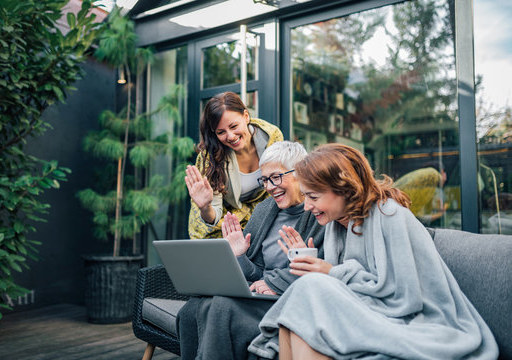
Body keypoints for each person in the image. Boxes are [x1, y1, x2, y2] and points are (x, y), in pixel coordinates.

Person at [248, 143, 498, 360]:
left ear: (343, 189)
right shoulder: (337, 224)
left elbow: (405, 295)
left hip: (413, 318)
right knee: (300, 312)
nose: (307, 205)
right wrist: (319, 269)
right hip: (368, 310)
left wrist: (331, 273)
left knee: (310, 291)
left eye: (313, 196)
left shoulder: (390, 215)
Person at [177, 141, 325, 360]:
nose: (269, 187)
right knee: (191, 310)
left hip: (288, 301)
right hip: (259, 296)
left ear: (300, 172)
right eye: (264, 180)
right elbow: (257, 275)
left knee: (220, 306)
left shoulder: (320, 215)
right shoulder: (265, 210)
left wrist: (275, 282)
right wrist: (239, 256)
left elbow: (323, 272)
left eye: (276, 177)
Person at [186, 92, 283, 239]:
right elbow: (214, 215)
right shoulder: (211, 157)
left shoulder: (272, 138)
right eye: (221, 132)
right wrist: (205, 207)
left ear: (246, 116)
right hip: (222, 226)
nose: (230, 136)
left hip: (264, 219)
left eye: (233, 126)